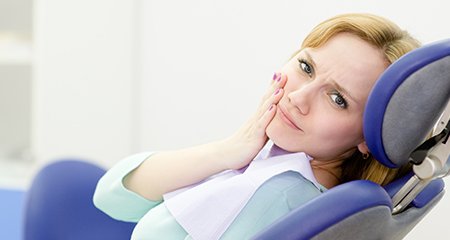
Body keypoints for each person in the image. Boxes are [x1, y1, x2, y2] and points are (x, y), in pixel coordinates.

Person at [93, 13, 420, 239]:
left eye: (337, 99)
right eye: (306, 66)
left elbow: (116, 204)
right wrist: (231, 150)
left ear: (368, 137)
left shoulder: (280, 195)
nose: (299, 97)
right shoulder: (282, 163)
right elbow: (112, 196)